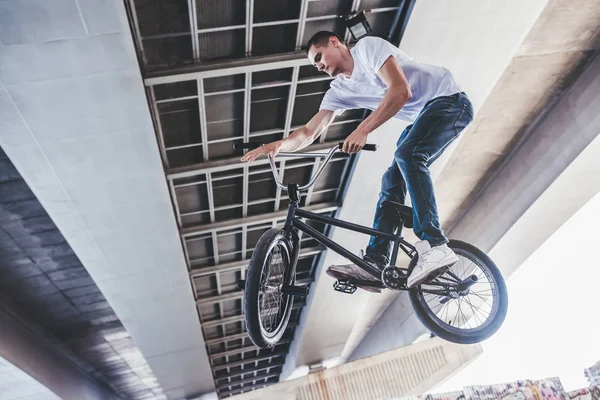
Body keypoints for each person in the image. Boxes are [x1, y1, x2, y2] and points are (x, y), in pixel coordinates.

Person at [241, 31, 474, 292]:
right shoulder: (339, 90)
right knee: (391, 181)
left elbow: (400, 91)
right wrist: (278, 146)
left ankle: (435, 245)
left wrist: (362, 129)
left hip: (449, 102)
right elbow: (309, 132)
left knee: (408, 154)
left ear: (334, 42)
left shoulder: (366, 49)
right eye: (314, 64)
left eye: (318, 57)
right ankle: (375, 263)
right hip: (423, 118)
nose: (318, 66)